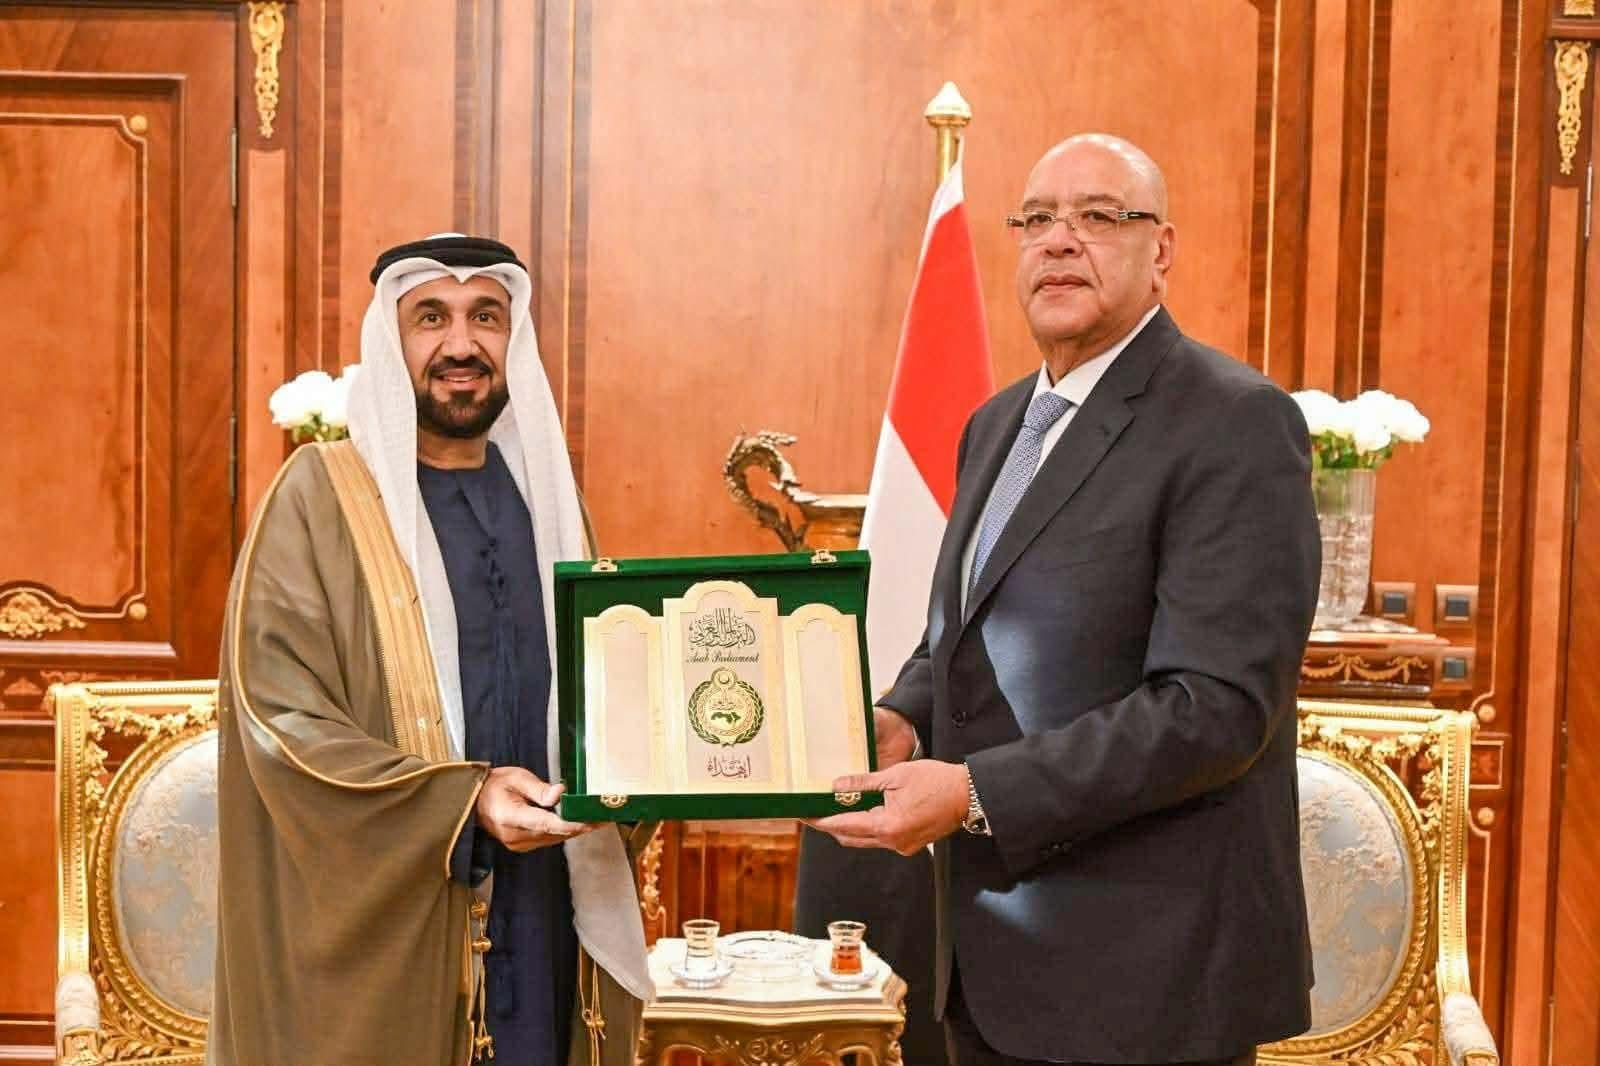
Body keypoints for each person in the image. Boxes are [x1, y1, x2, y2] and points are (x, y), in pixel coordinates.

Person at [810, 134, 1320, 1066]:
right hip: (987, 966)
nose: (1059, 239)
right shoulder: (997, 423)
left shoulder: (1234, 421)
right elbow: (964, 626)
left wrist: (973, 792)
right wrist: (905, 715)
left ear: (1161, 249)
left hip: (1146, 982)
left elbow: (1215, 708)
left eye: (1099, 216)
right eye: (1037, 219)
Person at [209, 234, 651, 1066]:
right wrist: (458, 803)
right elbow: (279, 719)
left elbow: (608, 689)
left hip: (543, 905)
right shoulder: (318, 498)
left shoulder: (550, 503)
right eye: (430, 319)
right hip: (400, 918)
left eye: (486, 317)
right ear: (391, 340)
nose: (461, 344)